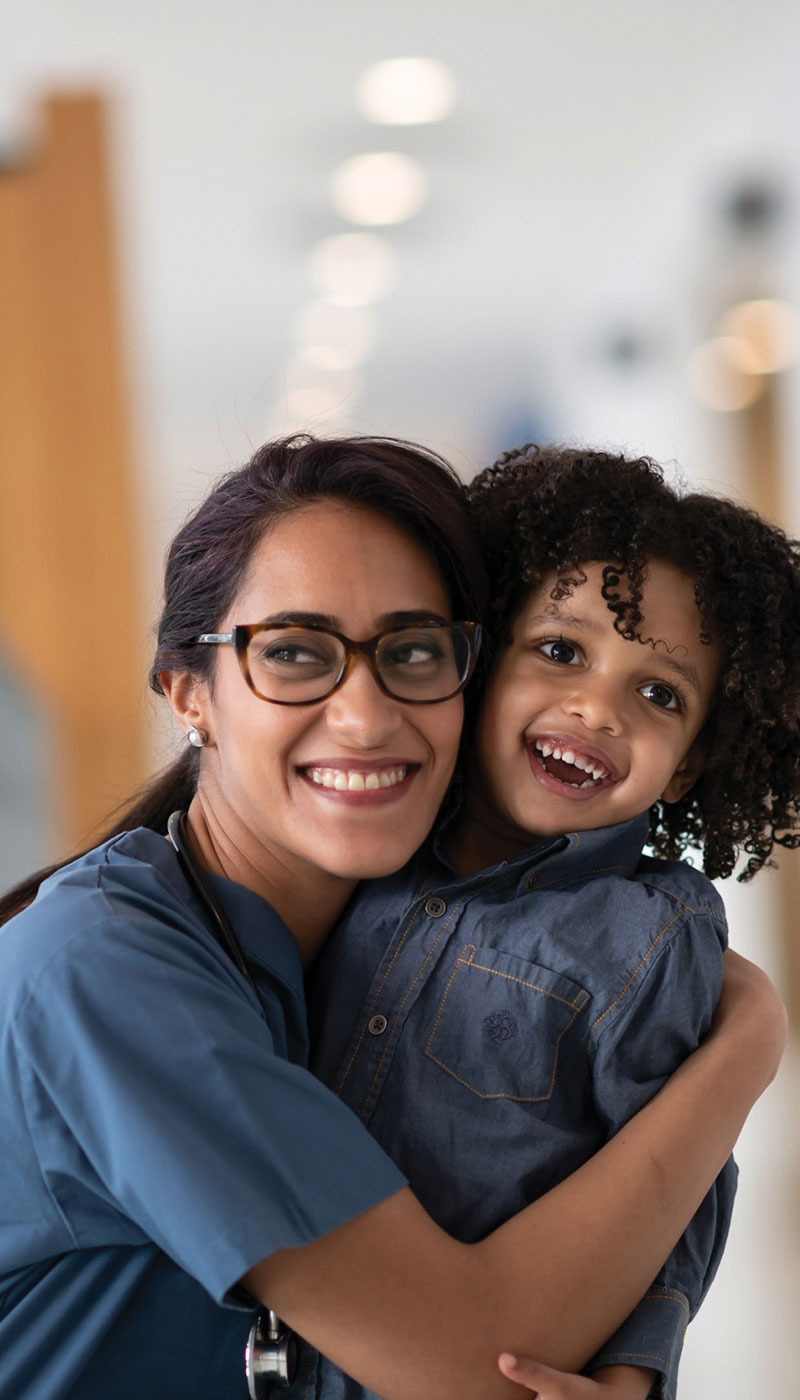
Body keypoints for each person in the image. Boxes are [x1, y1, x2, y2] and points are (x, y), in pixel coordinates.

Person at [0, 436, 786, 1400]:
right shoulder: (107, 968)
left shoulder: (325, 953)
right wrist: (748, 1046)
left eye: (413, 652)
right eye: (293, 653)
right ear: (187, 691)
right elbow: (465, 1360)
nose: (367, 717)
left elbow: (652, 1181)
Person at [308, 445, 800, 1400]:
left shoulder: (651, 937)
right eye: (561, 650)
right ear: (481, 661)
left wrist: (631, 1376)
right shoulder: (362, 837)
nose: (596, 707)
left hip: (491, 1363)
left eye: (659, 694)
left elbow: (678, 1182)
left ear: (689, 767)